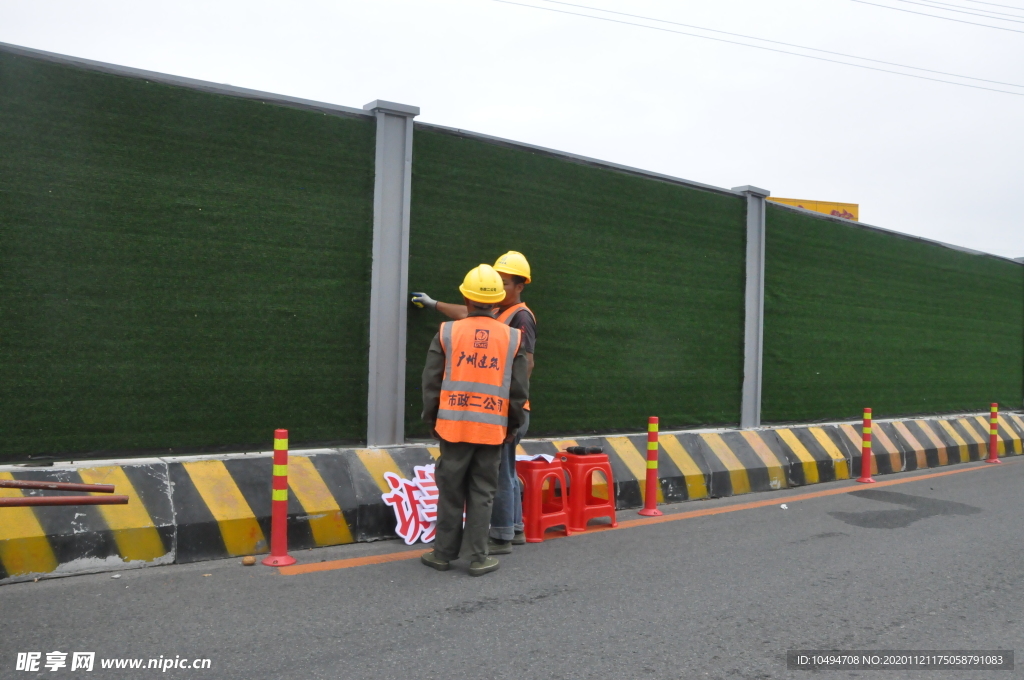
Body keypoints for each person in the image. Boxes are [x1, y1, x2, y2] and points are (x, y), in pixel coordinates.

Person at [412, 251, 536, 551]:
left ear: (520, 286)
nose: (499, 285)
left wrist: (511, 412)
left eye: (504, 282)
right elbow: (470, 315)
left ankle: (501, 534)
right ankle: (513, 529)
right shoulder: (499, 316)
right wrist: (433, 304)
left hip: (502, 412)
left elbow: (526, 366)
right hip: (499, 412)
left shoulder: (520, 317)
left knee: (497, 477)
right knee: (502, 473)